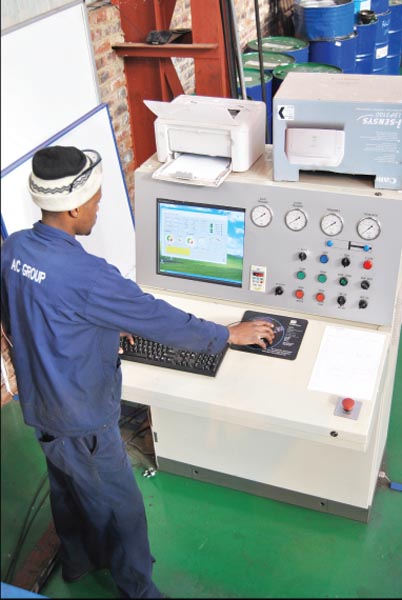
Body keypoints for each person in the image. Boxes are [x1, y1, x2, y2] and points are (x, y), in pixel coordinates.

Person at [1, 145, 275, 598]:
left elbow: (24, 316)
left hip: (42, 407)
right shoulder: (88, 275)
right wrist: (227, 334)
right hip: (84, 418)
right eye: (96, 201)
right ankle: (139, 591)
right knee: (122, 511)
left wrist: (101, 327)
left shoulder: (14, 249)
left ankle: (77, 562)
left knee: (66, 488)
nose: (98, 208)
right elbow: (159, 319)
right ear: (74, 207)